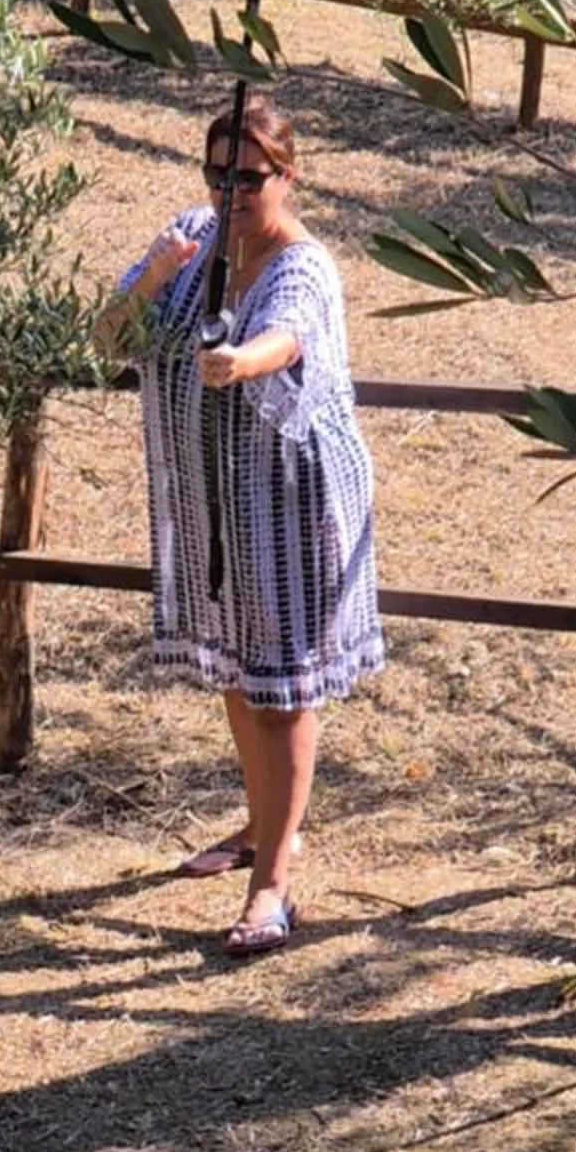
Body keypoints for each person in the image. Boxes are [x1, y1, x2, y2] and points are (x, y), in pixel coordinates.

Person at [102, 97, 384, 955]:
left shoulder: (304, 265)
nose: (230, 192)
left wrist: (237, 361)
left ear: (287, 177)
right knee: (236, 661)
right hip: (211, 497)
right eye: (216, 174)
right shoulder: (192, 239)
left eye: (250, 179)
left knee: (281, 686)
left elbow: (286, 341)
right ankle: (264, 826)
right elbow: (109, 337)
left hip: (291, 499)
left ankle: (273, 887)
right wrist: (153, 274)